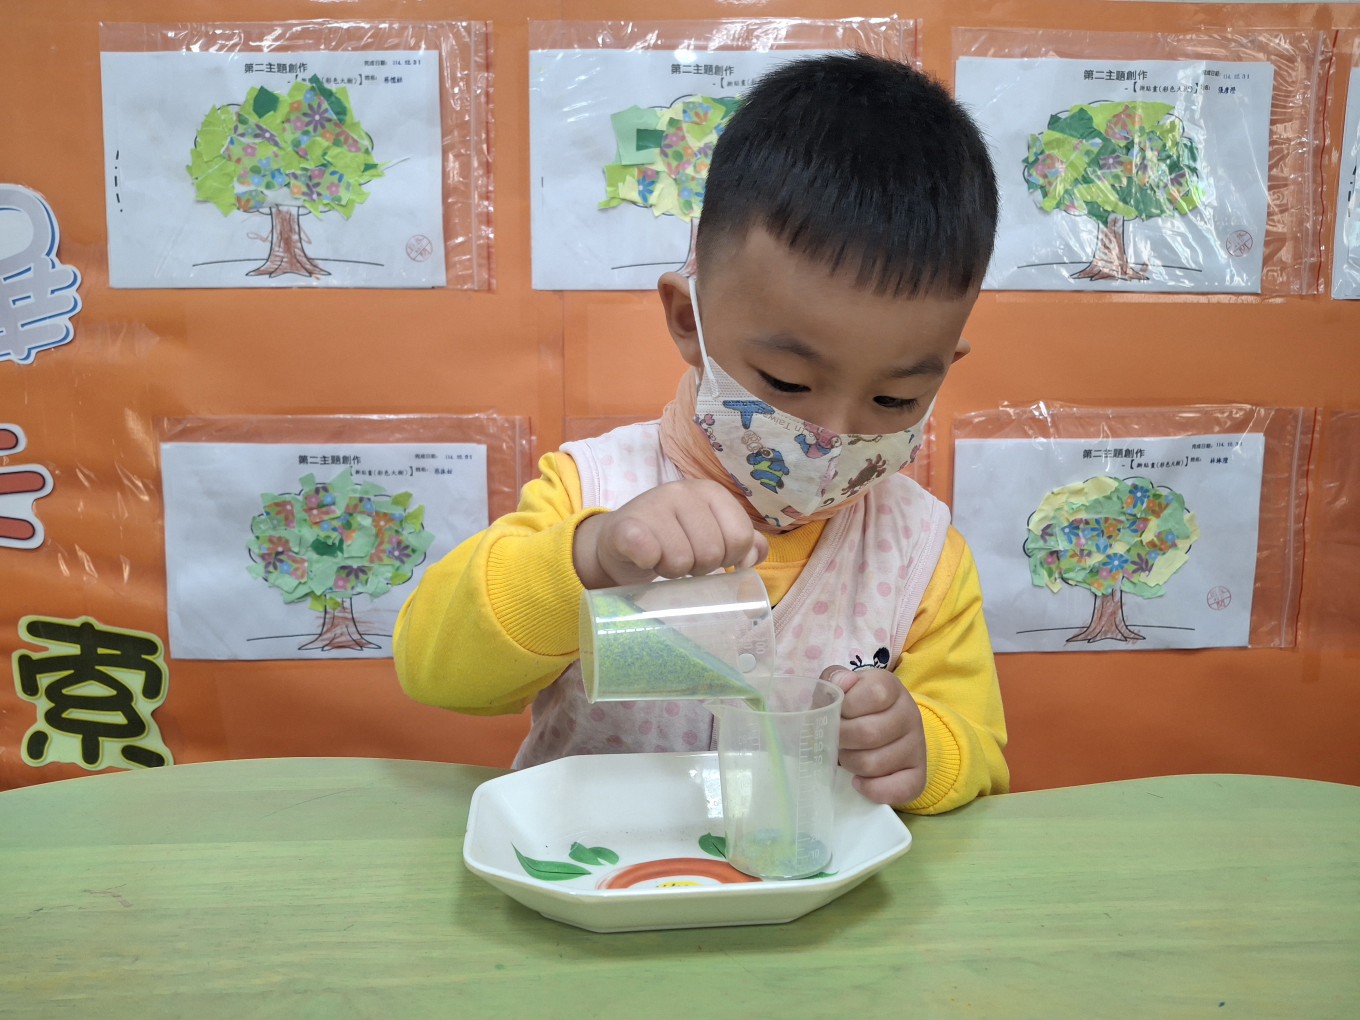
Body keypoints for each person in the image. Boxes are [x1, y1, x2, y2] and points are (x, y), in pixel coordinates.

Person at [396, 52, 1008, 814]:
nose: (833, 435)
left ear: (944, 369)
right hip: (598, 873)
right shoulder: (591, 490)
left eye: (896, 397)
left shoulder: (920, 555)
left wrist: (922, 748)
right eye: (787, 383)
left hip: (799, 879)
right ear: (690, 321)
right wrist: (588, 558)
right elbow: (432, 667)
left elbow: (979, 749)